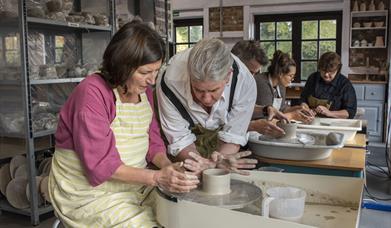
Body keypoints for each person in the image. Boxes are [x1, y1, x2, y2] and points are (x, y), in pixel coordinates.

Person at [48, 21, 199, 227]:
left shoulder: (142, 91)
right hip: (89, 194)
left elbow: (152, 139)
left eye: (156, 72)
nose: (152, 81)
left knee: (182, 215)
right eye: (145, 73)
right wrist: (157, 178)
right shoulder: (93, 93)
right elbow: (101, 166)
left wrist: (168, 166)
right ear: (123, 66)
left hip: (134, 185)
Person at [156, 38, 258, 175]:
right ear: (189, 77)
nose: (206, 98)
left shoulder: (244, 83)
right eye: (198, 90)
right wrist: (201, 164)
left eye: (213, 90)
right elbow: (180, 139)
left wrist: (220, 160)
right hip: (185, 140)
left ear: (228, 75)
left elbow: (233, 135)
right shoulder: (170, 81)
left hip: (220, 137)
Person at [231, 41, 290, 138]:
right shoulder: (217, 85)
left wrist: (265, 109)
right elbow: (217, 126)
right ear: (234, 62)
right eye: (249, 72)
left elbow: (241, 107)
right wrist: (252, 126)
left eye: (255, 73)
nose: (252, 77)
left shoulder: (245, 82)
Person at [254, 50, 315, 127]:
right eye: (290, 76)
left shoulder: (281, 85)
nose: (292, 79)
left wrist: (300, 108)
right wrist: (292, 116)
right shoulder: (262, 83)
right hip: (256, 129)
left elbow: (282, 109)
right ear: (280, 74)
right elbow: (267, 119)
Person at [300, 52, 357, 119]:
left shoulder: (345, 85)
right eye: (323, 70)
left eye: (330, 71)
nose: (326, 75)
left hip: (334, 124)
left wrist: (329, 113)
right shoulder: (313, 78)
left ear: (337, 69)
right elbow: (303, 99)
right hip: (311, 120)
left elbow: (350, 112)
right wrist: (305, 108)